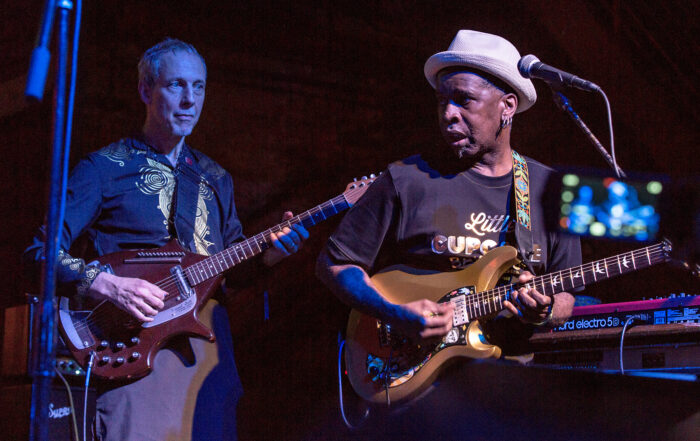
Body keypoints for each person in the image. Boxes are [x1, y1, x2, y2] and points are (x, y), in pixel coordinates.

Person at [24, 38, 308, 441]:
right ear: (145, 90)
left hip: (208, 354)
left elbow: (233, 271)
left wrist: (271, 255)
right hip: (134, 349)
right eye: (176, 85)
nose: (190, 99)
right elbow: (41, 251)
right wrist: (108, 284)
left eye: (199, 86)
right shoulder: (104, 167)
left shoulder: (215, 177)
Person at [317, 30, 581, 354]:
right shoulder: (405, 179)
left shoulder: (551, 190)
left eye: (464, 100)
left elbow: (567, 292)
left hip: (513, 373)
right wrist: (393, 313)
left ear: (507, 106)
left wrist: (547, 309)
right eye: (442, 100)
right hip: (415, 371)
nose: (447, 114)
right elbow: (335, 264)